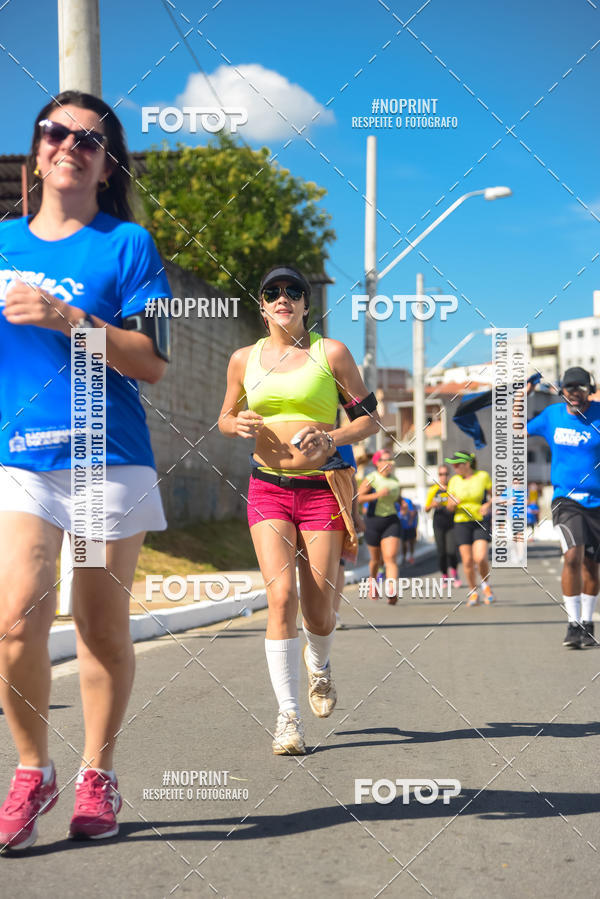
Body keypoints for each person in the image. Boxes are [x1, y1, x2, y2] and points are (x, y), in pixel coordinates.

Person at [0, 92, 171, 851]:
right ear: (37, 151)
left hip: (108, 458)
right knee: (14, 620)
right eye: (55, 132)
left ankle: (97, 772)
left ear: (107, 166)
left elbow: (151, 360)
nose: (70, 144)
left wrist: (67, 317)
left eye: (89, 140)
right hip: (23, 460)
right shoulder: (2, 243)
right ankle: (32, 770)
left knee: (100, 625)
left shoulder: (127, 245)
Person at [218, 265, 378, 755]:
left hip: (321, 490)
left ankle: (320, 664)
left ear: (308, 304)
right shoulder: (243, 359)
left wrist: (332, 437)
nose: (283, 297)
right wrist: (236, 424)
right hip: (268, 488)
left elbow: (370, 421)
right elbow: (224, 418)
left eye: (294, 291)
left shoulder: (331, 354)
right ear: (262, 306)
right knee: (280, 596)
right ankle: (288, 718)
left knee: (319, 611)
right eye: (273, 292)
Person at [527, 367, 600, 648]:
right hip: (566, 499)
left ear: (590, 390)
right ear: (562, 390)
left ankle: (588, 624)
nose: (575, 393)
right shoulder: (552, 416)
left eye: (581, 387)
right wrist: (522, 398)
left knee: (592, 566)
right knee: (572, 555)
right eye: (570, 388)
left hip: (597, 502)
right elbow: (515, 430)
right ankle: (573, 624)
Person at [446, 451, 494, 606]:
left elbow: (496, 495)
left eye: (457, 465)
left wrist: (488, 505)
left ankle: (486, 585)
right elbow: (449, 507)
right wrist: (452, 504)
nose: (454, 468)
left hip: (480, 521)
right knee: (467, 561)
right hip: (461, 522)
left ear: (467, 464)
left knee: (480, 558)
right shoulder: (454, 481)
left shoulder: (482, 476)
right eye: (453, 465)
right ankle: (473, 592)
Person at [357, 449, 402, 603]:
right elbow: (358, 498)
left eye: (391, 460)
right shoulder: (371, 478)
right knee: (376, 560)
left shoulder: (395, 480)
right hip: (373, 521)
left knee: (390, 557)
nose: (389, 463)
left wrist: (402, 504)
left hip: (391, 520)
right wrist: (377, 495)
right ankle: (373, 581)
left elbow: (398, 497)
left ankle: (392, 590)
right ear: (378, 462)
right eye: (385, 460)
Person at [333, 444, 364, 630]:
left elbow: (351, 481)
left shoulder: (343, 443)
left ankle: (333, 612)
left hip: (338, 511)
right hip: (306, 510)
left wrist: (356, 514)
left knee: (339, 564)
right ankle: (318, 611)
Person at [425, 465, 462, 586]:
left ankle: (454, 573)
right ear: (438, 475)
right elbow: (426, 508)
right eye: (441, 474)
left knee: (451, 550)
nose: (443, 477)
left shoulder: (453, 487)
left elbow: (460, 502)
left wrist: (455, 503)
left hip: (452, 522)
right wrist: (433, 504)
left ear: (449, 475)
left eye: (446, 474)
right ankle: (445, 575)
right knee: (442, 552)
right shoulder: (434, 489)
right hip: (438, 523)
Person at [398, 496, 418, 565]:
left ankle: (411, 556)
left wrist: (411, 520)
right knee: (404, 544)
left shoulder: (407, 501)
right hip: (402, 527)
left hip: (410, 526)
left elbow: (413, 512)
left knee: (411, 542)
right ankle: (404, 557)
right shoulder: (395, 502)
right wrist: (401, 513)